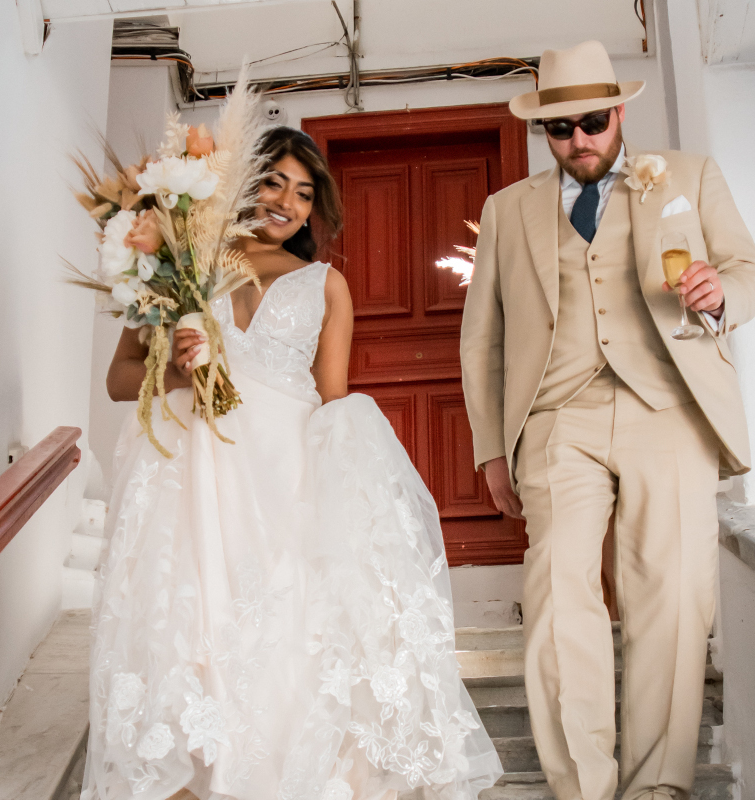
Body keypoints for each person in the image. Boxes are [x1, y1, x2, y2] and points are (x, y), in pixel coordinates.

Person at [82, 127, 502, 800]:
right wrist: (183, 374)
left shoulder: (326, 286)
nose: (288, 202)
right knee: (200, 637)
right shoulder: (178, 263)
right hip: (197, 485)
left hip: (289, 486)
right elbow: (119, 378)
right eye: (275, 181)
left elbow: (333, 402)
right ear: (243, 183)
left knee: (291, 644)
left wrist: (350, 511)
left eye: (305, 194)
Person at [460, 41, 755, 800]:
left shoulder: (687, 178)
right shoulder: (508, 211)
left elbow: (748, 273)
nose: (579, 142)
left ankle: (657, 785)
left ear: (618, 113)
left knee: (671, 589)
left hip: (668, 405)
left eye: (592, 122)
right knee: (560, 586)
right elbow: (484, 337)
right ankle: (581, 788)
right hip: (557, 416)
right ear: (544, 132)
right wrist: (491, 449)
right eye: (560, 130)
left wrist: (717, 293)